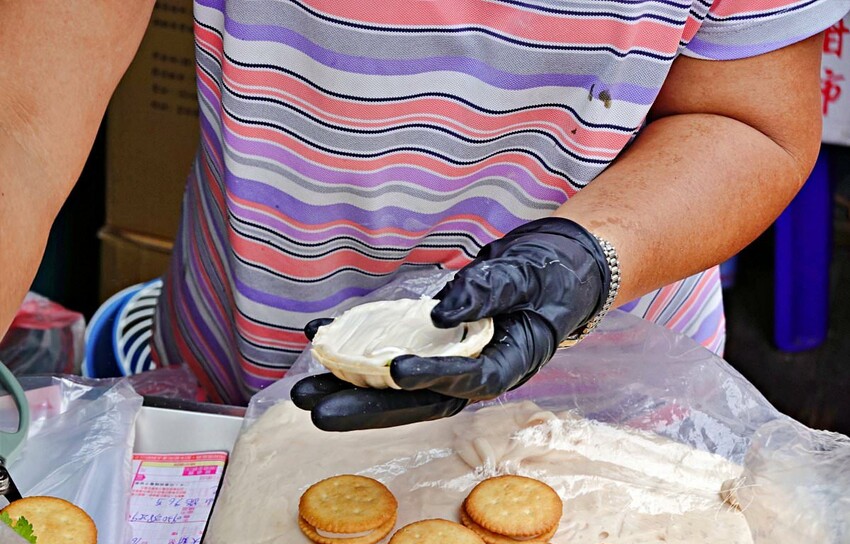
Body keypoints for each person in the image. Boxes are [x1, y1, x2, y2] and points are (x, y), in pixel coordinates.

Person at [2, 1, 848, 429]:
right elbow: (20, 126)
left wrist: (588, 257)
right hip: (258, 355)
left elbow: (747, 120)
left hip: (599, 398)